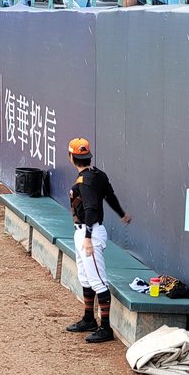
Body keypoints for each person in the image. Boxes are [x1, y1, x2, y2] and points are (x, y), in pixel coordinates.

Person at [66, 137, 131, 343]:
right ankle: (89, 319)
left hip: (90, 234)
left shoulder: (85, 181)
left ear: (71, 157)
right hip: (86, 232)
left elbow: (91, 208)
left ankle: (105, 328)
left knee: (99, 282)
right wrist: (122, 214)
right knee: (86, 278)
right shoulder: (98, 175)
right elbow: (110, 196)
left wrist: (87, 238)